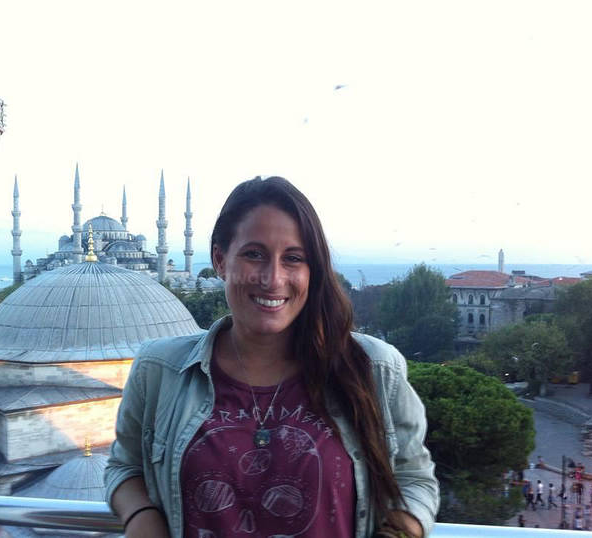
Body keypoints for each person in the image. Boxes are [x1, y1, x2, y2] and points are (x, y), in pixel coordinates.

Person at [104, 177, 439, 537]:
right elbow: (125, 467)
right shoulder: (161, 369)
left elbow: (414, 480)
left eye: (293, 258)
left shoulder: (372, 369)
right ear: (220, 260)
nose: (273, 278)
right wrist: (142, 517)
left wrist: (399, 532)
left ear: (312, 271)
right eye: (254, 254)